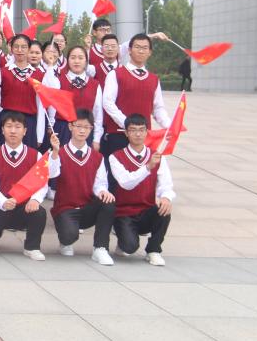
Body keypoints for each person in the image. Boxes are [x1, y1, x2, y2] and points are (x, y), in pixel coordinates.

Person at [0, 111, 53, 260]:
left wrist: (35, 199)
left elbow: (42, 182)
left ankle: (32, 247)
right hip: (0, 207)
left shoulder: (35, 155)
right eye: (8, 126)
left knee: (39, 212)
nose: (13, 131)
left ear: (25, 131)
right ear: (2, 130)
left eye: (17, 127)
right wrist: (3, 201)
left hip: (25, 207)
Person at [48, 108, 116, 265]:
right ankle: (65, 242)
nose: (82, 130)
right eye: (78, 126)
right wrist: (55, 152)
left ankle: (100, 248)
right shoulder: (60, 153)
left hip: (87, 208)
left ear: (91, 129)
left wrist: (103, 191)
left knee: (108, 202)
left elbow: (100, 184)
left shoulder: (97, 157)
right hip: (65, 209)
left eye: (87, 127)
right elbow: (51, 174)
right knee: (69, 236)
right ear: (70, 126)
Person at [108, 114, 174, 266]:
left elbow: (166, 184)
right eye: (133, 130)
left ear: (146, 132)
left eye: (141, 130)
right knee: (129, 248)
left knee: (164, 209)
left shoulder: (157, 156)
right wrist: (147, 167)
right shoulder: (116, 157)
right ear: (126, 133)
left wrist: (166, 197)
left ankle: (154, 250)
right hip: (124, 213)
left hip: (146, 210)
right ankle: (122, 238)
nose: (138, 134)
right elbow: (126, 183)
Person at [101, 33, 172, 158]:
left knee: (144, 169)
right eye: (137, 47)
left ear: (150, 52)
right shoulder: (116, 74)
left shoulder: (154, 79)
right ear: (129, 50)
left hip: (143, 137)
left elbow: (158, 108)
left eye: (145, 48)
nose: (141, 51)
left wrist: (169, 126)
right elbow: (107, 103)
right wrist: (127, 124)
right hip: (119, 135)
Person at [0, 34, 44, 150]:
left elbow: (41, 105)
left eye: (24, 47)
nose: (20, 50)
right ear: (11, 48)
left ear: (29, 49)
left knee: (27, 157)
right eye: (16, 46)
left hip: (28, 122)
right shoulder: (3, 71)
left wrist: (39, 135)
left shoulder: (39, 75)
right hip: (7, 121)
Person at [42, 45, 103, 148]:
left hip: (85, 130)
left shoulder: (95, 84)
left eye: (80, 58)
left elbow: (98, 114)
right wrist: (50, 65)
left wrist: (96, 138)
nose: (76, 61)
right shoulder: (58, 79)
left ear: (86, 61)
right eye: (73, 57)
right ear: (68, 60)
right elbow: (48, 93)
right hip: (63, 129)